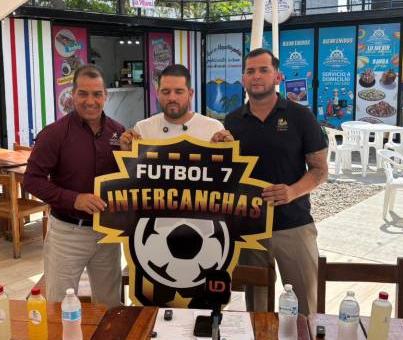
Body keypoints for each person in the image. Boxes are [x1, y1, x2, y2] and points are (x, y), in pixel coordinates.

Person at [211, 48, 328, 315]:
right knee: (257, 310)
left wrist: (292, 191)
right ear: (243, 79)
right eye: (250, 71)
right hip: (250, 227)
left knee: (304, 309)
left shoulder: (301, 116)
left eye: (264, 69)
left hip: (294, 225)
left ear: (277, 76)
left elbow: (320, 170)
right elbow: (227, 175)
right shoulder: (232, 121)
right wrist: (219, 153)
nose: (256, 76)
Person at [23, 64, 124, 309]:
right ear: (72, 94)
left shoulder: (118, 132)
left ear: (105, 96)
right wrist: (73, 198)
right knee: (60, 304)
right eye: (83, 93)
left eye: (97, 94)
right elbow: (31, 180)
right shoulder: (54, 134)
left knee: (109, 305)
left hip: (107, 234)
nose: (90, 101)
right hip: (68, 233)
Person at [120, 64, 224, 146]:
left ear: (190, 94)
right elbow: (135, 171)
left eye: (179, 91)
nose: (172, 98)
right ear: (158, 94)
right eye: (165, 92)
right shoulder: (142, 129)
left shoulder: (213, 129)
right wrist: (128, 154)